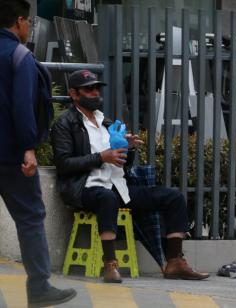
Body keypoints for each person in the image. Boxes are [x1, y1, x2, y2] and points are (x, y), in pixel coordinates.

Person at [50, 69, 209, 283]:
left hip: (118, 186)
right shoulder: (65, 124)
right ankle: (110, 265)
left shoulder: (104, 122)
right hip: (86, 188)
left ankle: (174, 262)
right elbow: (64, 164)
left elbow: (121, 166)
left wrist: (128, 148)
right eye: (89, 89)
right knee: (107, 198)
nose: (95, 93)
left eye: (97, 88)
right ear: (74, 94)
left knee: (174, 197)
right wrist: (101, 157)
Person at [0, 0, 77, 306]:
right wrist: (29, 147)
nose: (29, 27)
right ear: (19, 21)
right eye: (29, 22)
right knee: (30, 217)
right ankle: (39, 287)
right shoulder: (19, 56)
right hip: (12, 156)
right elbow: (22, 106)